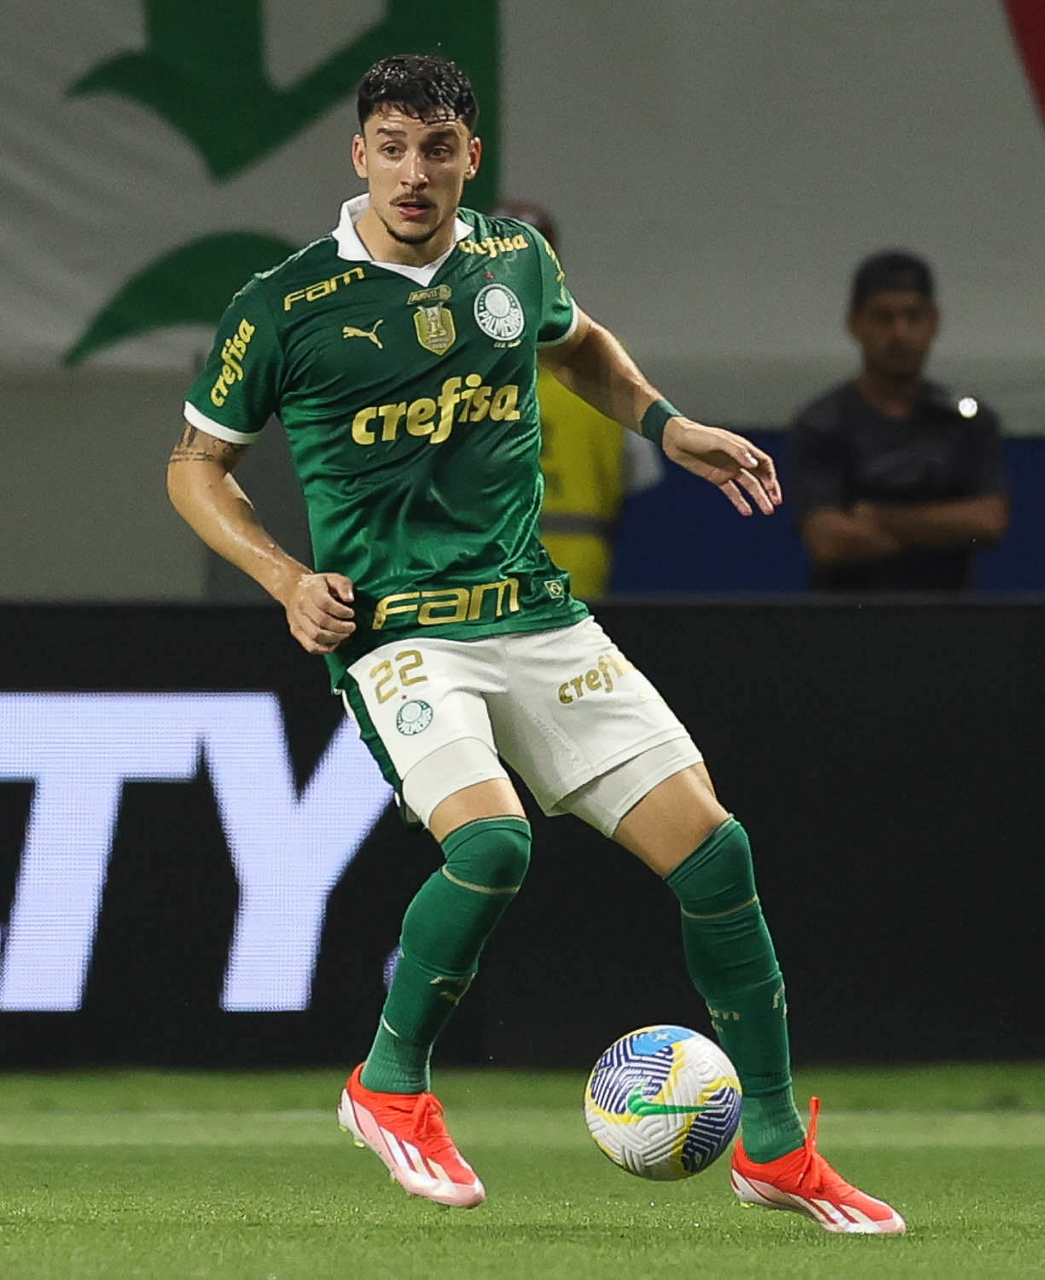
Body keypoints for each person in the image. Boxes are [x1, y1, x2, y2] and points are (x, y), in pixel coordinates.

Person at [167, 54, 904, 1234]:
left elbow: (575, 343)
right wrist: (285, 577)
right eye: (392, 147)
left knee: (714, 852)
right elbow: (197, 465)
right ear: (359, 156)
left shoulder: (513, 259)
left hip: (533, 611)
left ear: (470, 155)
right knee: (493, 840)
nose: (415, 171)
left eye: (437, 147)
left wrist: (666, 423)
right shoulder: (286, 305)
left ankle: (771, 1147)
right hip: (398, 630)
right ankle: (387, 1082)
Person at [788, 250, 1009, 589]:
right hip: (847, 617)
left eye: (913, 317)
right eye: (884, 318)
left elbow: (988, 522)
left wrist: (879, 518)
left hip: (948, 617)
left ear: (934, 322)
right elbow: (828, 540)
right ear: (855, 323)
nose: (900, 333)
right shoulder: (822, 424)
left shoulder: (967, 423)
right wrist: (942, 530)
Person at [488, 199, 663, 598]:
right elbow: (640, 472)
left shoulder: (451, 359)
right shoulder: (601, 359)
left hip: (479, 576)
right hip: (577, 573)